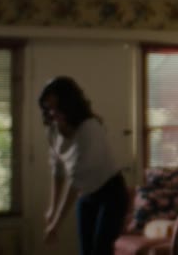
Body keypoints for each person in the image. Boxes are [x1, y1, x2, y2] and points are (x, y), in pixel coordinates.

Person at [39, 76, 128, 255]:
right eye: (48, 108)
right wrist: (52, 208)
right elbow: (57, 171)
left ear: (69, 105)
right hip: (86, 195)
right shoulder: (53, 131)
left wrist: (56, 224)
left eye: (57, 108)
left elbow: (75, 181)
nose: (52, 113)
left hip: (111, 192)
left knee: (101, 250)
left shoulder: (89, 128)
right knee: (86, 251)